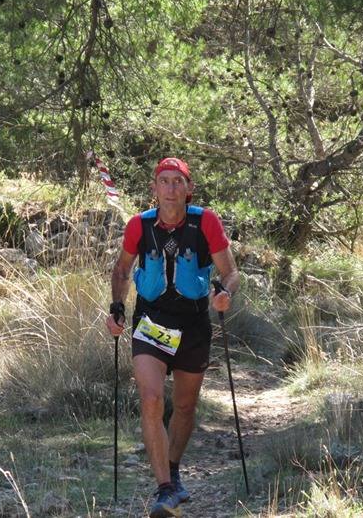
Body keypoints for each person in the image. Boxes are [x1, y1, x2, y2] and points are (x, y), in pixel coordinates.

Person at [106, 157, 239, 518]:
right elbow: (121, 269)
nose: (170, 188)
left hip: (194, 323)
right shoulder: (139, 225)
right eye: (163, 181)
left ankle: (174, 471)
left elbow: (231, 273)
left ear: (188, 188)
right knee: (151, 399)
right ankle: (165, 489)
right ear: (154, 189)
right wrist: (117, 307)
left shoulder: (205, 222)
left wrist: (224, 293)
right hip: (150, 322)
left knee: (184, 406)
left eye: (177, 181)